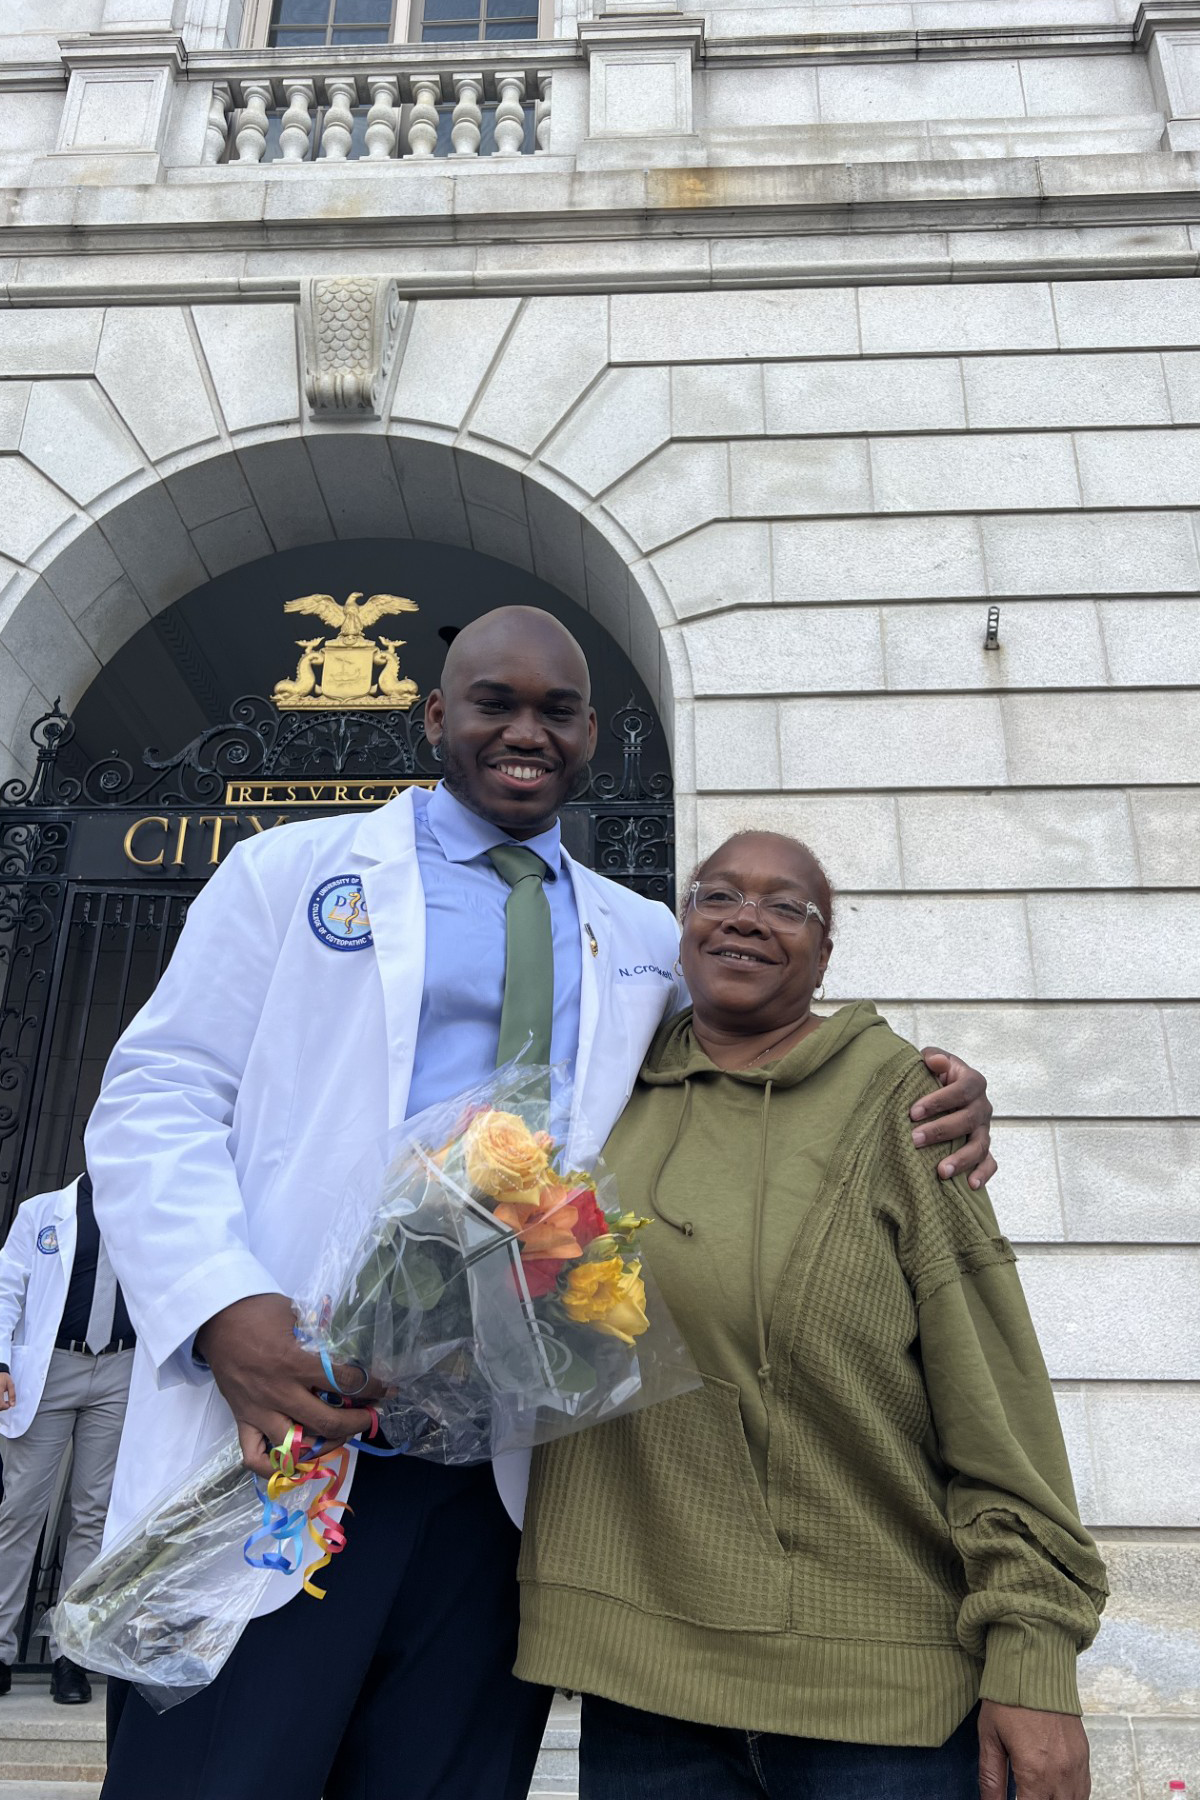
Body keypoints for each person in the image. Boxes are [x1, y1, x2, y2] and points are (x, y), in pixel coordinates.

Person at [84, 609, 995, 1800]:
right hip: (283, 1426)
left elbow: (756, 1043)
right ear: (435, 718)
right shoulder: (289, 873)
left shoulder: (642, 936)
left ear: (590, 736)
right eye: (493, 703)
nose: (525, 732)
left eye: (555, 711)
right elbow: (156, 1093)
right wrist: (221, 1309)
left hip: (501, 1478)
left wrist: (925, 1088)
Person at [517, 829, 1107, 1800]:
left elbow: (994, 1401)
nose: (746, 915)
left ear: (825, 952)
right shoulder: (598, 1090)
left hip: (875, 1704)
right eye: (717, 895)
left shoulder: (902, 1110)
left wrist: (1035, 1657)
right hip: (643, 1696)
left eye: (786, 905)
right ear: (680, 926)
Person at [0, 1173, 135, 1706]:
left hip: (121, 1368)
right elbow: (7, 1285)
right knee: (21, 1511)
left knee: (93, 1517)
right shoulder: (42, 1211)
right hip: (52, 1364)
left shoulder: (148, 1208)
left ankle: (70, 1655)